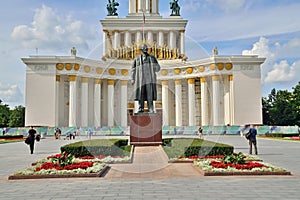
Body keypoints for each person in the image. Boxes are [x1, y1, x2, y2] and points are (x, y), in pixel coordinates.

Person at [131, 44, 161, 114]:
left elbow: (158, 68)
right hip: (140, 79)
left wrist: (155, 66)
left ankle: (150, 108)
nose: (145, 50)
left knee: (149, 94)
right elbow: (133, 69)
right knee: (140, 94)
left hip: (149, 79)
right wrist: (132, 78)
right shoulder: (137, 58)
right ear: (141, 50)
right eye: (143, 49)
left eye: (146, 49)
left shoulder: (152, 58)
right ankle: (140, 108)